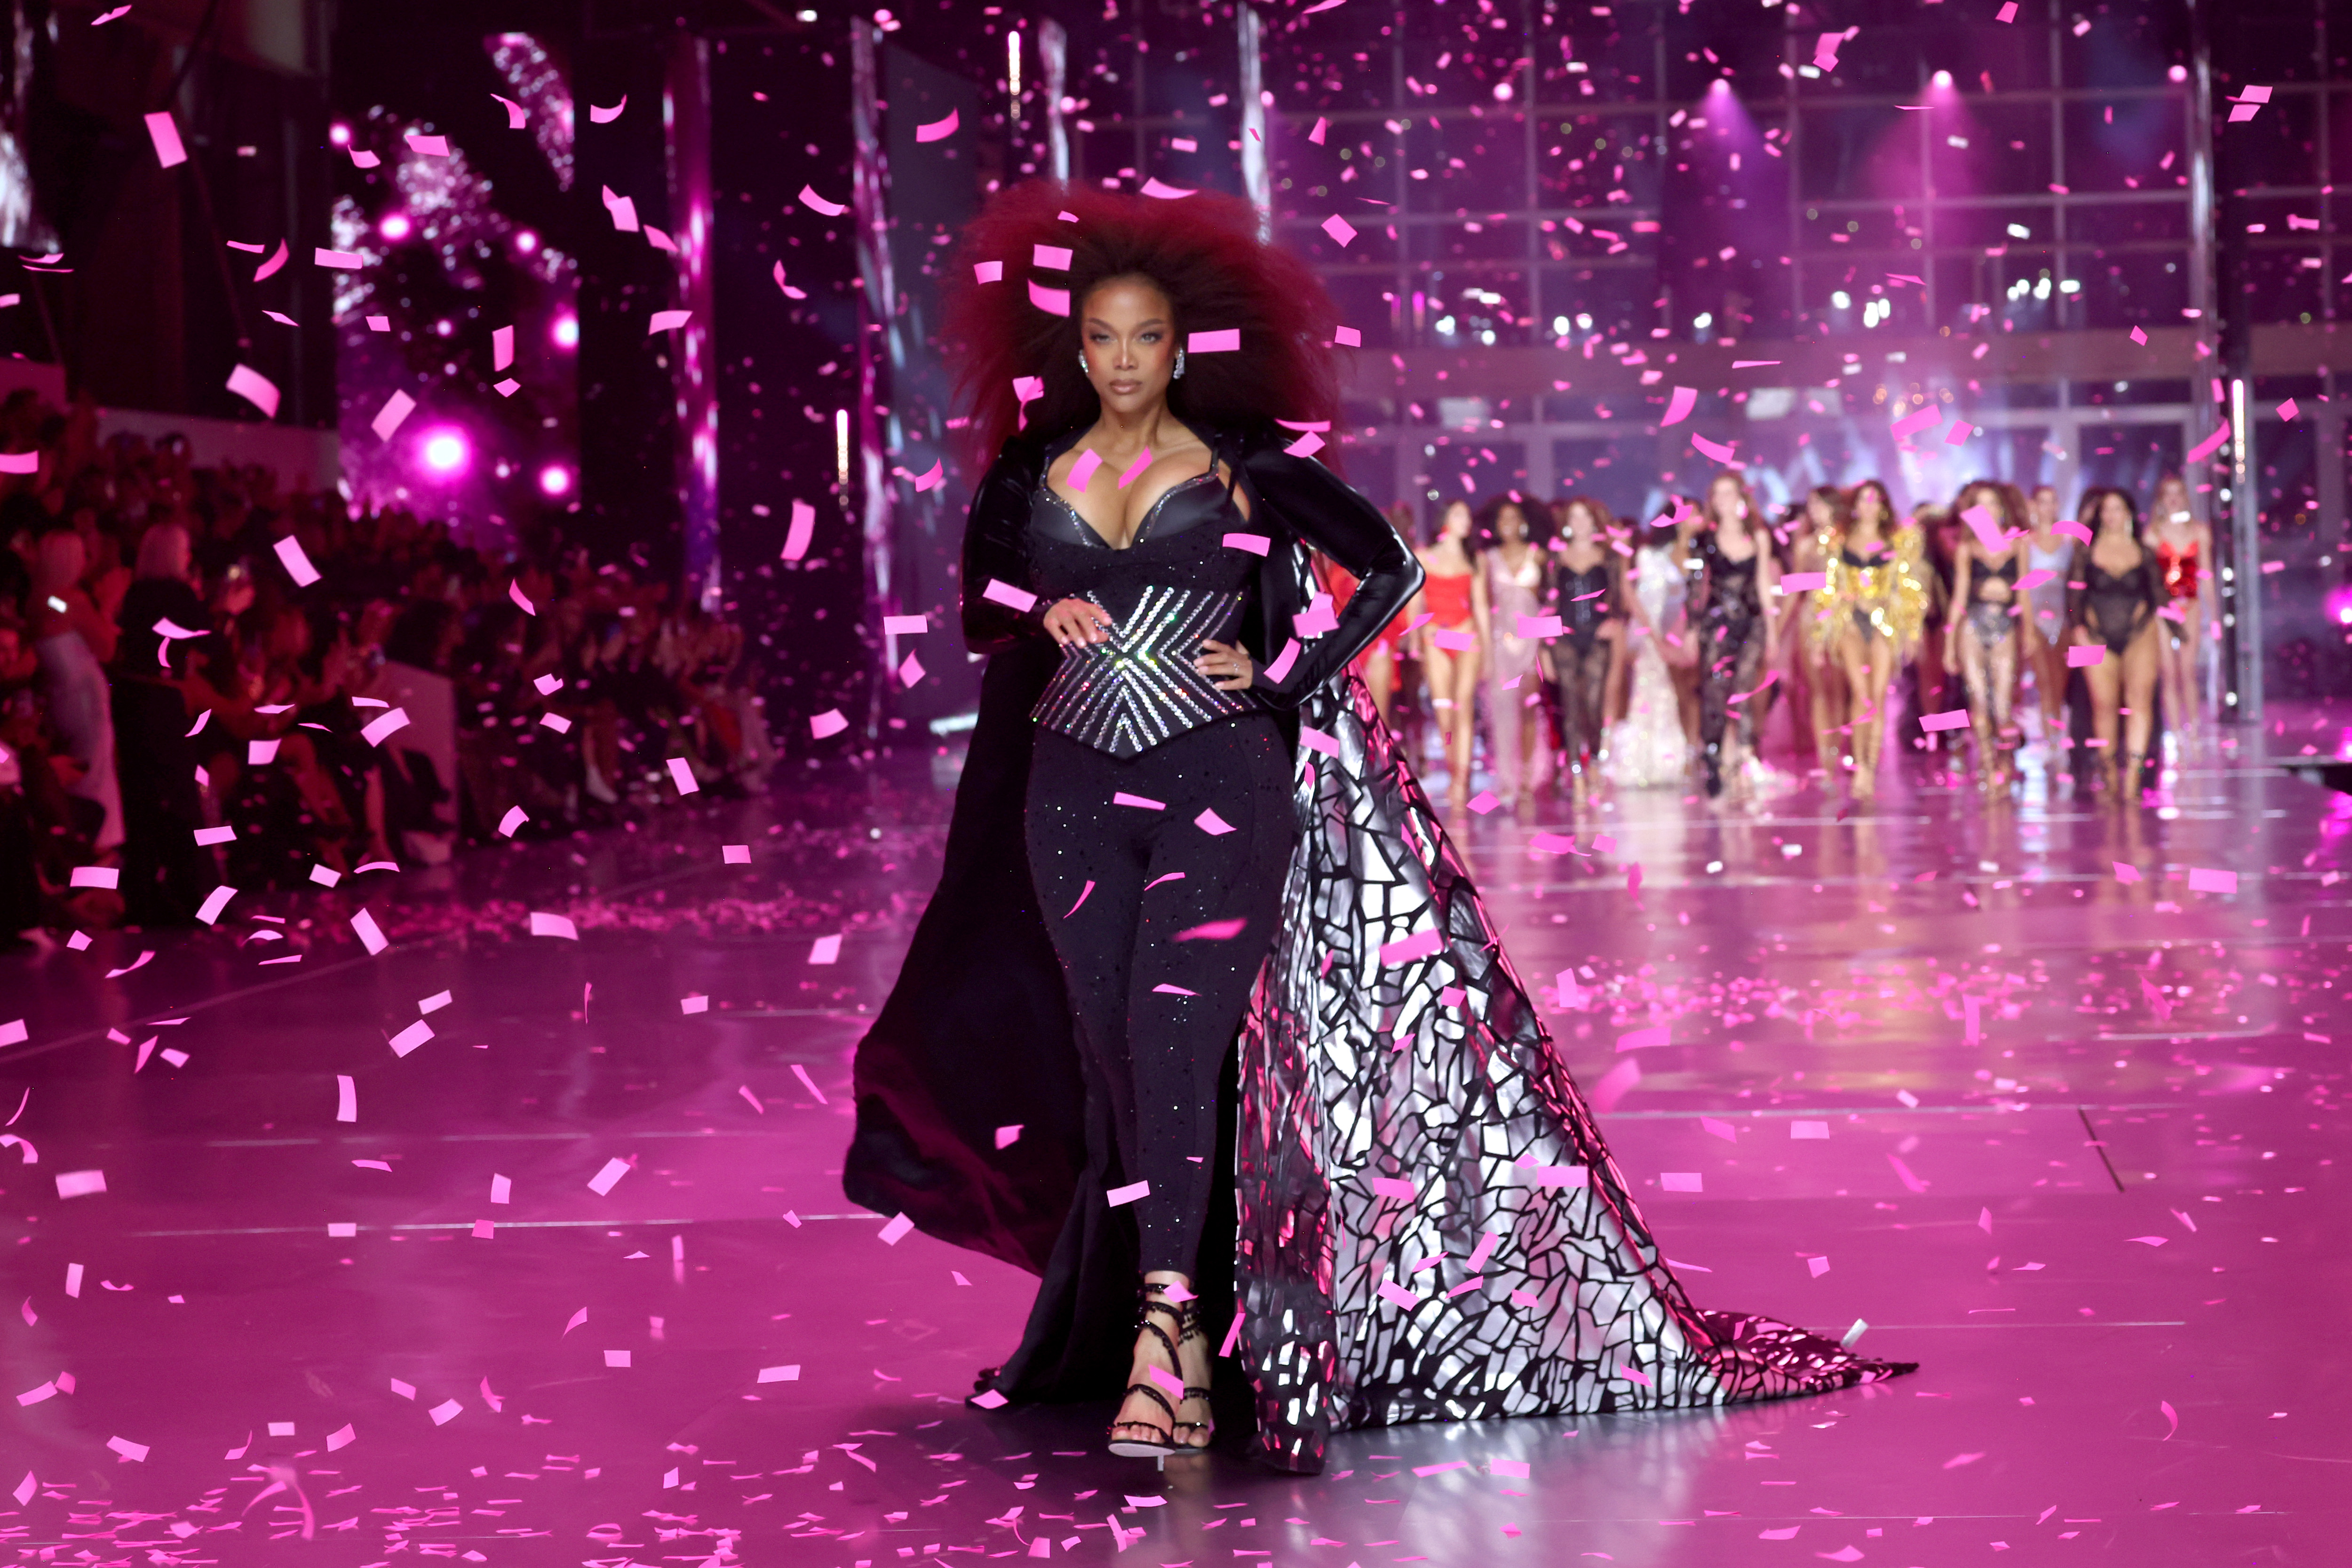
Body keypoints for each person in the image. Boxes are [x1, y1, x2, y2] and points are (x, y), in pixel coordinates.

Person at [845, 182, 1911, 1476]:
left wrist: (1286, 670)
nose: (1123, 361)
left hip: (1216, 775)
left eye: (1144, 339)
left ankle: (1167, 1339)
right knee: (1115, 1058)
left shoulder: (1248, 470)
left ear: (1181, 349)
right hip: (1069, 787)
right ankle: (1160, 1311)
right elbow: (983, 606)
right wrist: (1043, 607)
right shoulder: (1031, 474)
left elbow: (1393, 571)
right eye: (1101, 339)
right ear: (1073, 349)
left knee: (1177, 1035)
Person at [1804, 480, 1927, 807]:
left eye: (1875, 500)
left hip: (1886, 623)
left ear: (1884, 505)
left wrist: (1912, 633)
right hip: (1848, 623)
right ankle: (1860, 764)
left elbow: (1910, 588)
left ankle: (1869, 768)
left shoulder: (1899, 541)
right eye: (1863, 500)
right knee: (1860, 694)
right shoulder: (1837, 541)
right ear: (1855, 505)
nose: (1870, 506)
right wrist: (1819, 637)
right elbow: (1825, 590)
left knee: (1877, 696)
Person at [28, 527, 123, 852]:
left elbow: (54, 610)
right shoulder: (70, 600)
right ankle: (94, 858)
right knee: (92, 780)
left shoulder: (42, 599)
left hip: (63, 699)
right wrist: (108, 605)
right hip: (84, 701)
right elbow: (108, 647)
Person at [2070, 486, 2165, 796]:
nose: (2112, 515)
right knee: (2103, 705)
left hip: (2139, 633)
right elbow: (2072, 597)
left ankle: (2134, 780)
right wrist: (2078, 630)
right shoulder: (2085, 551)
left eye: (2118, 508)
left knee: (2140, 702)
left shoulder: (2144, 551)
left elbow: (2157, 595)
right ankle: (2109, 776)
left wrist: (2174, 631)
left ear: (2129, 513)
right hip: (2095, 637)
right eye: (2106, 509)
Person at [1691, 471, 1778, 798]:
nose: (1725, 500)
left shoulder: (1759, 536)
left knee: (1743, 685)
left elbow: (1763, 586)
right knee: (1714, 690)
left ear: (1742, 497)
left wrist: (1771, 631)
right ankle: (1713, 755)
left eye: (1730, 493)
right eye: (1719, 494)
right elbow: (1695, 587)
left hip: (1751, 622)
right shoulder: (1703, 540)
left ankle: (1743, 755)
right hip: (1715, 622)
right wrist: (1691, 627)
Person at [1941, 479, 2028, 793]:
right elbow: (1959, 598)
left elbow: (2026, 595)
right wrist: (1949, 644)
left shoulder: (2019, 545)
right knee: (1978, 698)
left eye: (1993, 503)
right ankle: (1990, 768)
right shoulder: (1967, 549)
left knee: (2003, 705)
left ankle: (2005, 763)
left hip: (2006, 625)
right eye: (1982, 504)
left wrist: (2028, 631)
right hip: (1973, 627)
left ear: (2002, 509)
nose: (1988, 510)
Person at [1471, 494, 1549, 810]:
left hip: (1531, 638)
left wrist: (1544, 648)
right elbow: (1482, 604)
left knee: (1529, 708)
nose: (1509, 525)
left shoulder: (1539, 555)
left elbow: (1547, 603)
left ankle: (1528, 779)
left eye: (1514, 518)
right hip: (1501, 638)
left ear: (1523, 523)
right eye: (1503, 519)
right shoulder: (1488, 558)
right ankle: (1506, 779)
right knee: (1502, 713)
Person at [1608, 507, 1695, 788]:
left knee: (1680, 694)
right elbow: (1632, 594)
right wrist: (1653, 636)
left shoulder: (1694, 554)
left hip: (1679, 634)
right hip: (1650, 634)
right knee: (1650, 694)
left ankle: (1676, 761)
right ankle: (1644, 761)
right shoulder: (1649, 556)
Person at [1549, 495, 1622, 796]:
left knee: (1593, 703)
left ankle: (1593, 760)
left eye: (1584, 517)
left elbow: (1618, 597)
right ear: (1567, 524)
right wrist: (1544, 647)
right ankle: (1576, 774)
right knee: (1570, 704)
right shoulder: (1556, 559)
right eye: (1574, 517)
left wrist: (1614, 620)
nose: (1579, 523)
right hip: (1564, 636)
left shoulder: (1609, 557)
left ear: (1594, 521)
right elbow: (1549, 603)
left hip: (1596, 636)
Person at [1415, 499, 1479, 808]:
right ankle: (1455, 767)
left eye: (1467, 514)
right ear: (1445, 520)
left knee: (1463, 705)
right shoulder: (1424, 557)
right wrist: (1417, 637)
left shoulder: (1474, 559)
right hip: (1436, 637)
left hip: (1466, 634)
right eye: (1459, 513)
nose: (1466, 519)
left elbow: (1481, 607)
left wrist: (1490, 653)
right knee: (1444, 710)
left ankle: (1462, 778)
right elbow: (1414, 603)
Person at [2144, 473, 2209, 741]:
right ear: (2161, 499)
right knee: (2168, 674)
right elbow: (2148, 579)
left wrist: (2213, 616)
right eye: (2167, 493)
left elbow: (2207, 575)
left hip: (2191, 606)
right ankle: (2176, 733)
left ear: (2184, 497)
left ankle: (2193, 729)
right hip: (2163, 611)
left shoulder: (2199, 531)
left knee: (2188, 671)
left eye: (2177, 492)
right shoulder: (2153, 534)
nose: (2173, 499)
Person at [1791, 486, 1846, 783]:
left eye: (1819, 505)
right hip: (1811, 615)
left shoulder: (1846, 542)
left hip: (1840, 616)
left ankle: (1837, 750)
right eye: (1811, 505)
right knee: (1817, 689)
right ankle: (1825, 757)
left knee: (1838, 686)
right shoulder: (1805, 545)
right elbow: (1795, 587)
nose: (1814, 511)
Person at [2020, 485, 2072, 754]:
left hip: (2064, 620)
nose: (2048, 507)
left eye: (2053, 501)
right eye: (2043, 501)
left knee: (2061, 682)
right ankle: (2051, 743)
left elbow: (2076, 583)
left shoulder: (2069, 541)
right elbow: (2023, 588)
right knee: (2044, 683)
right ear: (2034, 505)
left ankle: (2059, 739)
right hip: (2037, 621)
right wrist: (2028, 629)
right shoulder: (2026, 542)